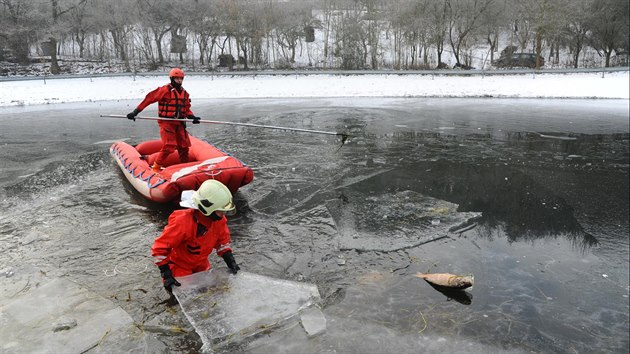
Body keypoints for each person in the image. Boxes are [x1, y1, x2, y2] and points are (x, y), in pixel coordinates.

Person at [151, 180, 241, 294]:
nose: (223, 214)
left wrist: (230, 260)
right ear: (208, 209)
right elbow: (159, 248)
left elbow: (222, 243)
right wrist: (166, 274)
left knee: (208, 292)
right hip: (180, 267)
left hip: (201, 265)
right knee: (184, 293)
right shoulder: (182, 222)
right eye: (221, 211)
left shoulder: (219, 221)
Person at [126, 68, 201, 173]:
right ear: (171, 78)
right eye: (177, 79)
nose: (179, 81)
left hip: (179, 123)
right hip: (167, 123)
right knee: (170, 146)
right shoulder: (164, 90)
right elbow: (149, 99)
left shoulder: (185, 94)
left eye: (181, 79)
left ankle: (184, 167)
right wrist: (135, 112)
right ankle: (156, 167)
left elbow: (186, 109)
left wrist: (193, 117)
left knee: (184, 147)